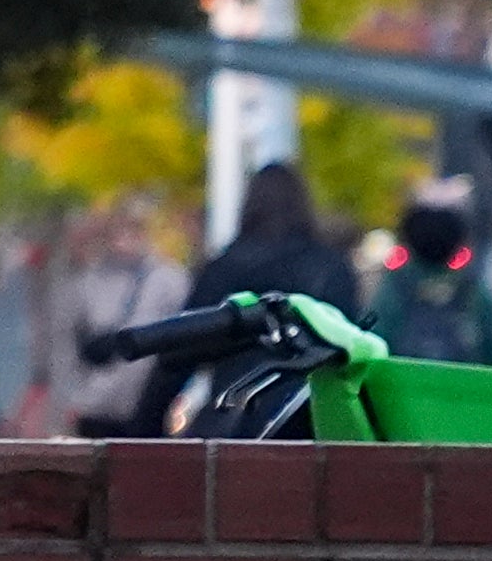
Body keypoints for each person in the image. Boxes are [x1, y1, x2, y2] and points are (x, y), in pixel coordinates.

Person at [137, 161, 355, 433]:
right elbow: (351, 350)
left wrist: (145, 426)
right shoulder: (331, 268)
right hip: (311, 422)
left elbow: (180, 355)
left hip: (233, 420)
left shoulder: (225, 267)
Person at [25, 202, 188, 435]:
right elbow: (63, 346)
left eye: (134, 230)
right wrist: (68, 402)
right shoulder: (86, 283)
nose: (125, 239)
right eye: (119, 231)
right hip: (94, 407)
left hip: (150, 404)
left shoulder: (169, 280)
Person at [378, 181, 492, 368]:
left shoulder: (395, 287)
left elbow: (375, 343)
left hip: (406, 392)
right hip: (463, 392)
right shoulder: (473, 291)